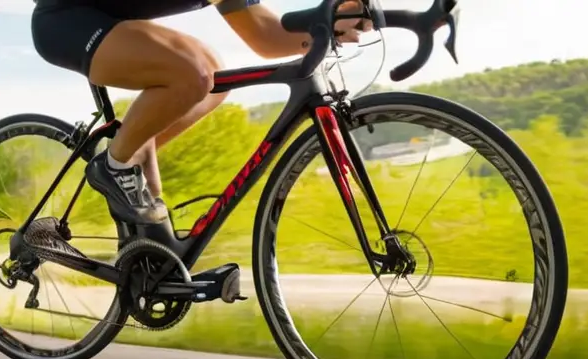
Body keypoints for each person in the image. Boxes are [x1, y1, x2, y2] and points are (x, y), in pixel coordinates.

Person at [31, 0, 371, 225]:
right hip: (66, 22)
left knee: (213, 76)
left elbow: (266, 37)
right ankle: (114, 165)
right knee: (192, 75)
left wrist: (333, 26)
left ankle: (134, 147)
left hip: (110, 19)